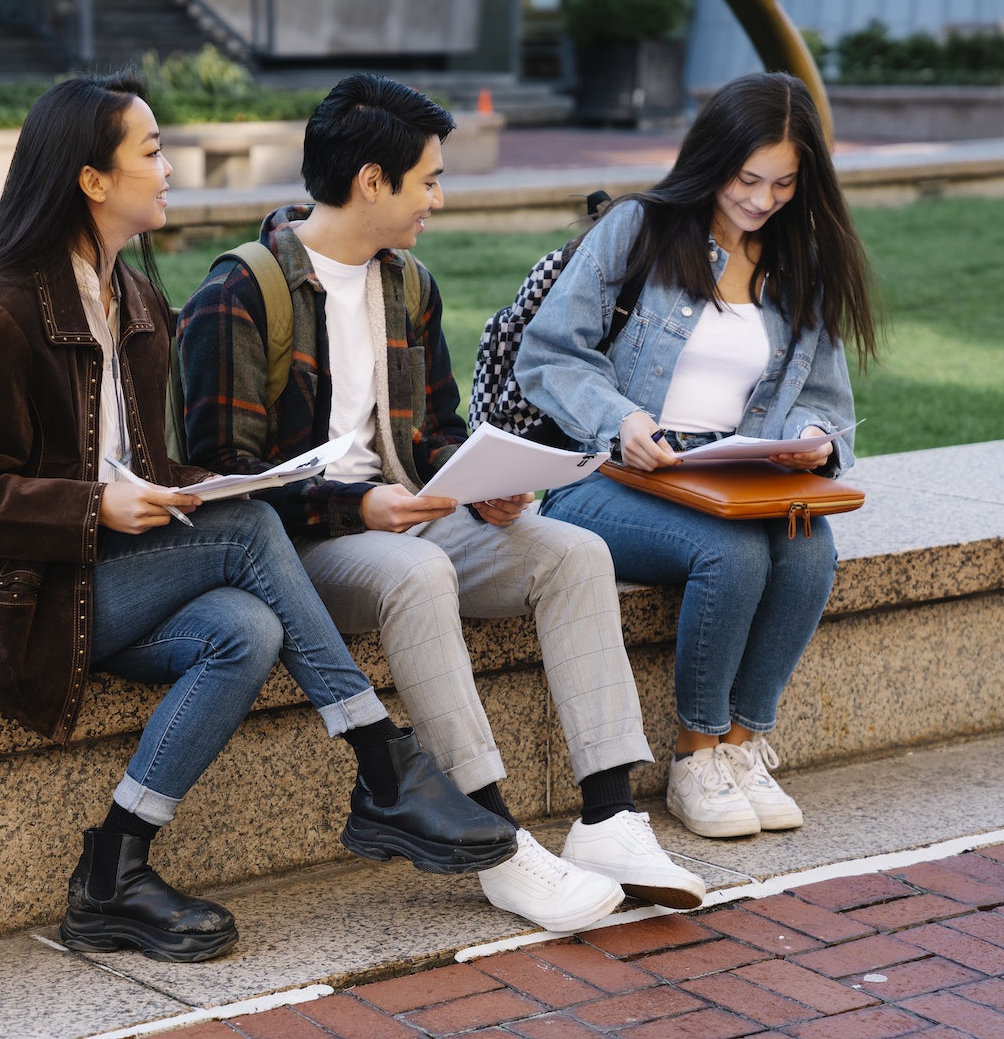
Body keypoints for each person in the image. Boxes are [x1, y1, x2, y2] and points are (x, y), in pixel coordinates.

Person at [0, 74, 517, 965]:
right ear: (93, 180)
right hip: (10, 601)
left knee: (246, 629)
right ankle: (380, 761)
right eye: (151, 151)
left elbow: (141, 459)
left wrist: (189, 488)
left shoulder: (133, 300)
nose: (170, 168)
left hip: (100, 580)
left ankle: (113, 865)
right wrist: (96, 503)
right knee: (253, 529)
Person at [178, 72, 706, 935]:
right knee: (417, 569)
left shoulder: (409, 285)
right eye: (428, 178)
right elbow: (225, 480)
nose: (439, 196)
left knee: (573, 552)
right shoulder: (243, 292)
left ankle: (608, 819)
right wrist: (361, 507)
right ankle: (491, 838)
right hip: (302, 545)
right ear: (370, 181)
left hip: (405, 519)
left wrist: (479, 477)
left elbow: (432, 433)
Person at [512, 71, 882, 839]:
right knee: (735, 555)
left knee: (811, 548)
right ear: (713, 158)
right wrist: (620, 419)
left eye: (783, 183)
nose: (761, 198)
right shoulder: (640, 229)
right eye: (747, 178)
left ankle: (743, 744)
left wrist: (814, 439)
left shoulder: (800, 260)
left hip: (733, 474)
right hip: (607, 472)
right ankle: (694, 754)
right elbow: (547, 355)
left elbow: (827, 399)